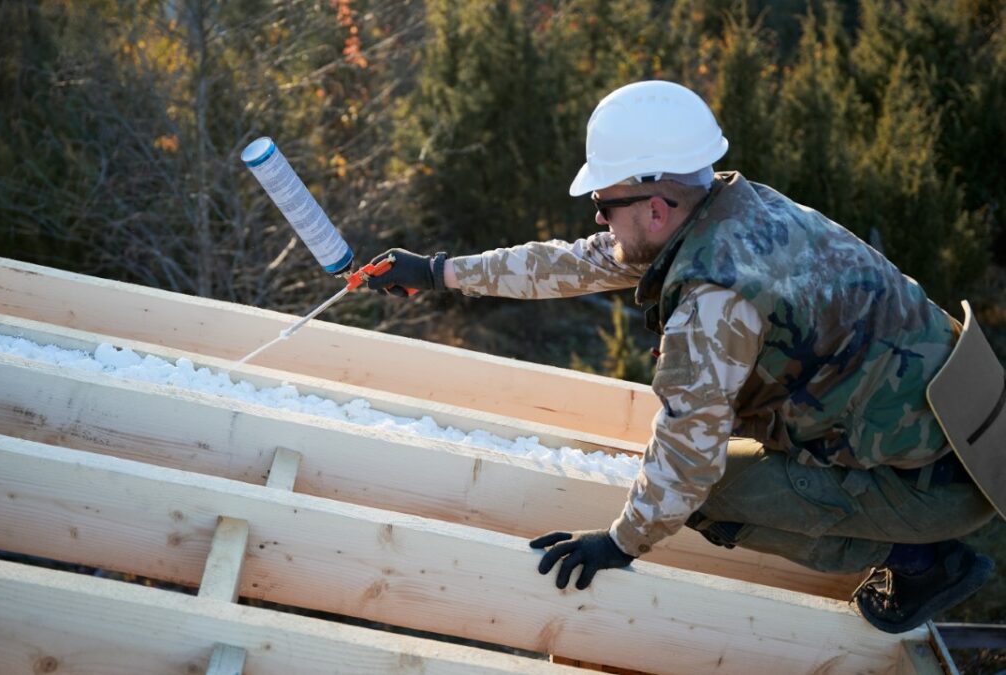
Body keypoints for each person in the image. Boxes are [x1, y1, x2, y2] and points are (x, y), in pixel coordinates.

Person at [365, 80, 1001, 634]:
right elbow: (575, 261)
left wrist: (619, 542)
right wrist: (441, 272)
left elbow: (684, 464)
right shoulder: (738, 208)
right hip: (961, 433)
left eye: (604, 206)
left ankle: (923, 561)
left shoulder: (713, 304)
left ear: (657, 208)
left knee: (702, 497)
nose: (599, 220)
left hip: (932, 486)